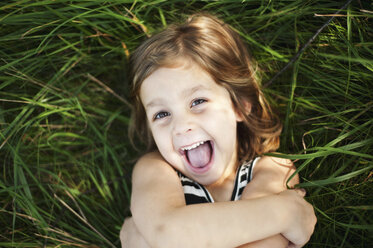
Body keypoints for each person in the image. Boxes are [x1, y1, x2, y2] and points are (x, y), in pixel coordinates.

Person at [120, 13, 316, 248]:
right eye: (162, 114)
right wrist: (283, 213)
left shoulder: (272, 169)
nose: (181, 126)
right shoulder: (155, 170)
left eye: (197, 101)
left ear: (239, 105)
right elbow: (167, 232)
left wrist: (143, 240)